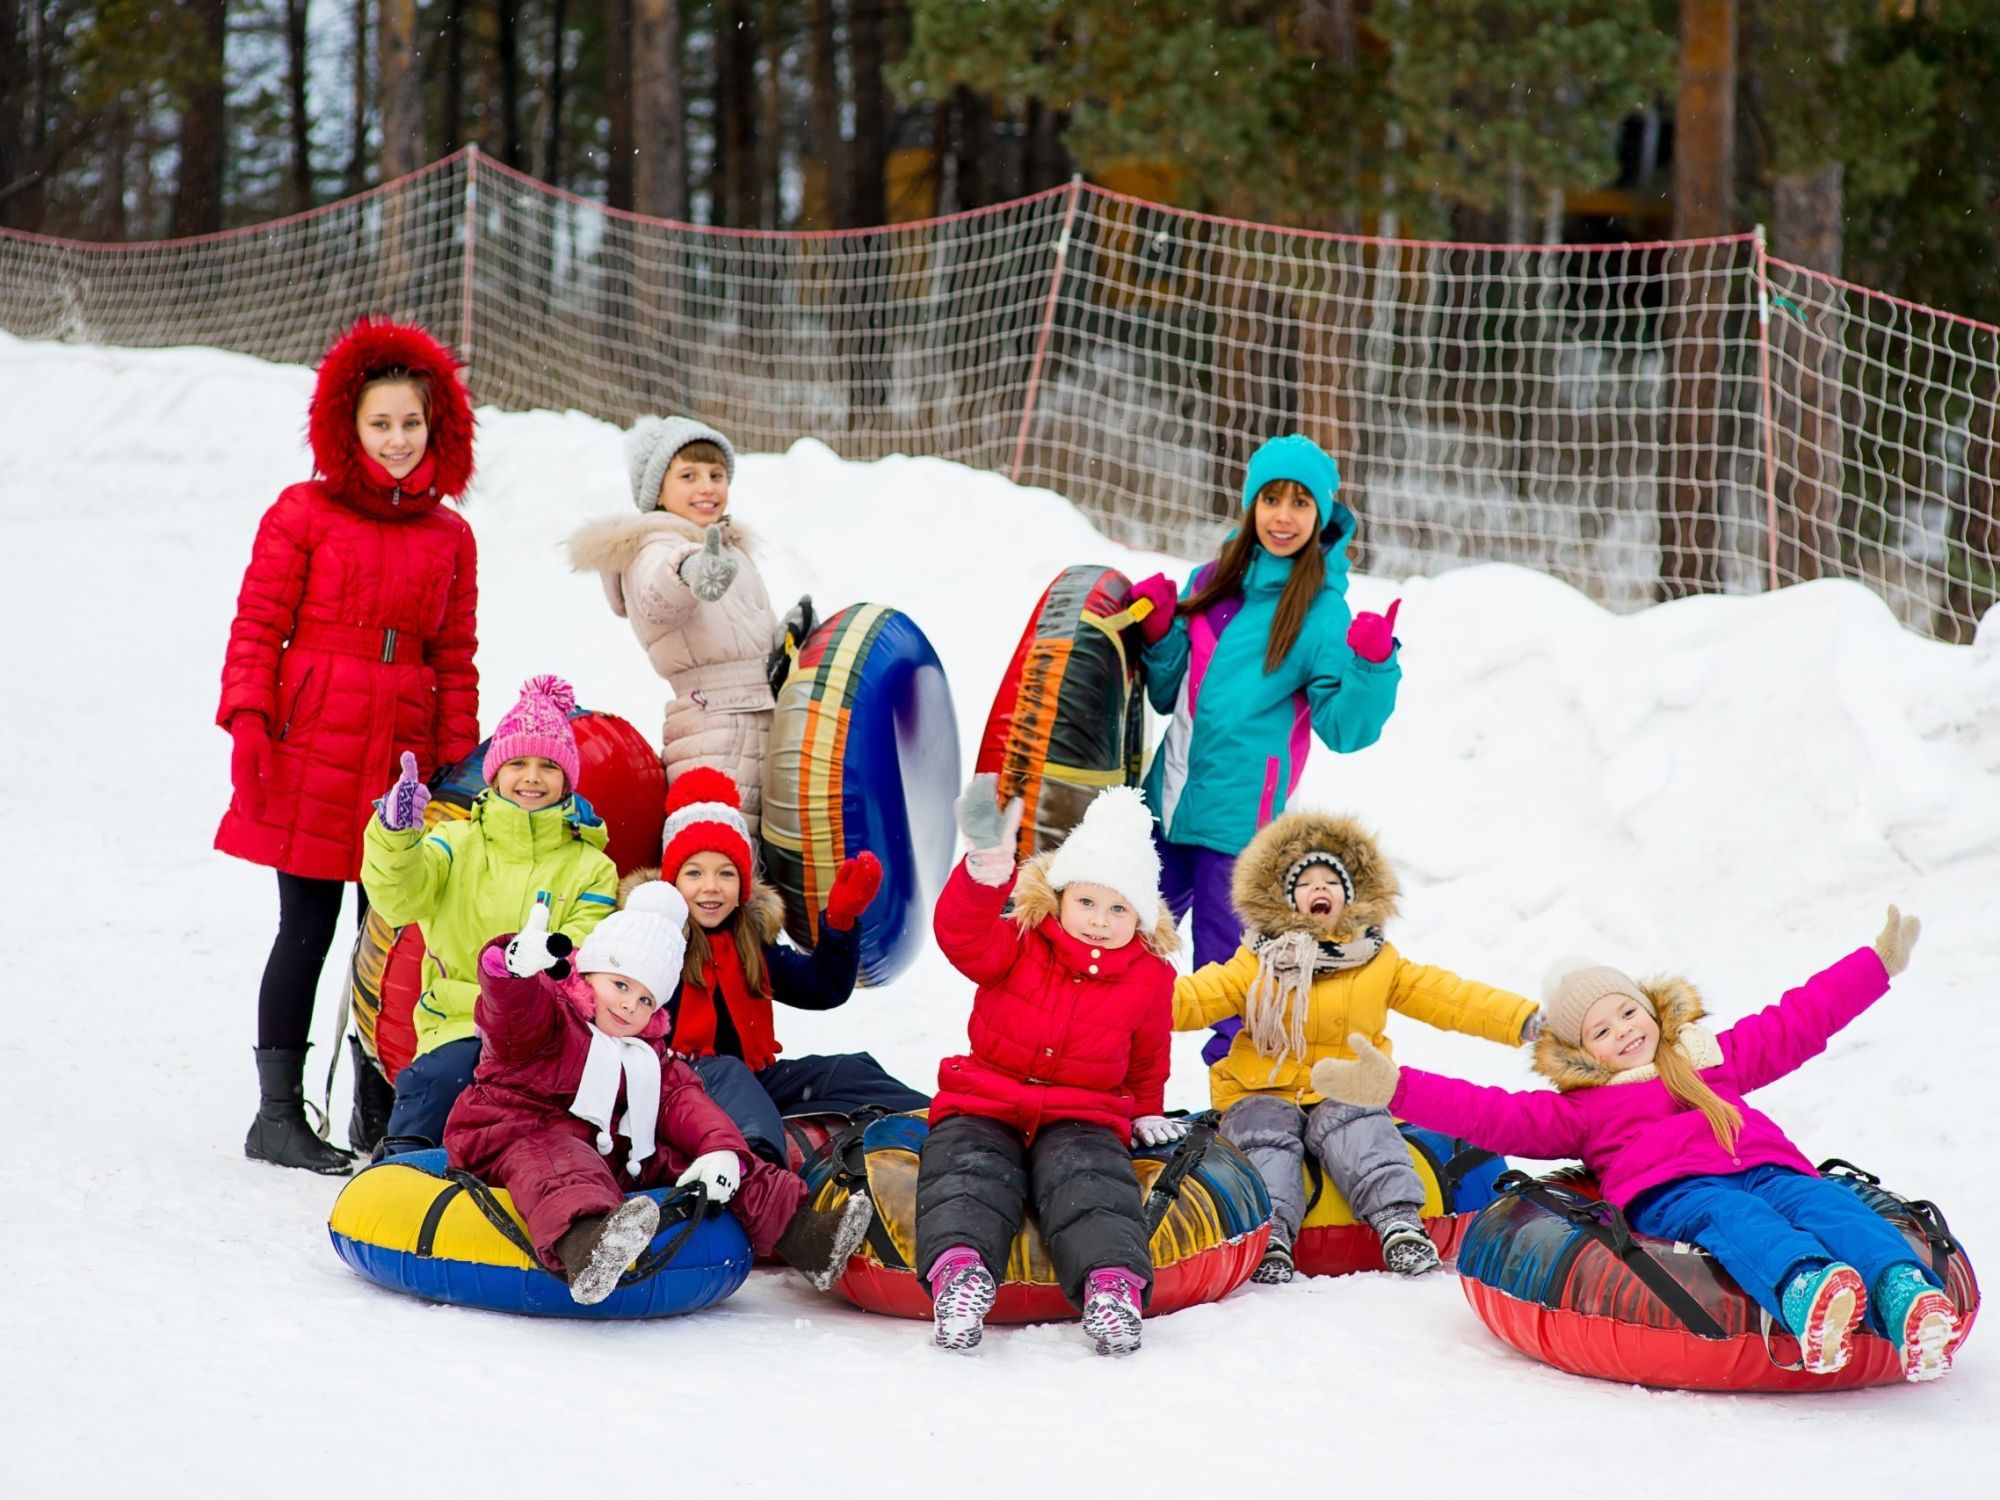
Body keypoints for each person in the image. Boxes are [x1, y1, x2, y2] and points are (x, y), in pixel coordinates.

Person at [1309, 908, 1960, 1383]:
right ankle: (1806, 1289)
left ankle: (1903, 1291)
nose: (1621, 1030)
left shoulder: (1712, 1058)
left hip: (1768, 1165)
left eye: (1627, 1012)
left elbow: (1799, 1019)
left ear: (1651, 1010)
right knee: (1738, 1222)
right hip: (1680, 1191)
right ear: (1579, 1052)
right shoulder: (1581, 1110)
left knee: (1833, 1210)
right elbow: (1490, 1114)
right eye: (1600, 1028)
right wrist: (1394, 1087)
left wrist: (1876, 964)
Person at [216, 317, 478, 1173]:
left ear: (435, 427)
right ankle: (278, 1114)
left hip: (401, 748)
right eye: (381, 424)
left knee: (393, 931)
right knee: (308, 925)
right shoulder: (303, 513)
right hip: (314, 738)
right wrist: (249, 721)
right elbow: (258, 624)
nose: (398, 440)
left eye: (412, 423)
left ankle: (381, 1104)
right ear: (349, 428)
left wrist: (460, 764)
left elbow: (456, 656)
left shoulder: (450, 536)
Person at [444, 883, 870, 1303]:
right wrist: (512, 970)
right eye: (621, 985)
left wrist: (721, 1152)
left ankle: (807, 1237)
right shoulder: (550, 1018)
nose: (631, 1006)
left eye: (646, 999)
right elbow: (509, 1014)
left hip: (608, 1152)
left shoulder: (649, 1056)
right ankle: (588, 1249)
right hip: (511, 1136)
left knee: (715, 1163)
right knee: (559, 1159)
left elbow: (686, 1104)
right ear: (588, 972)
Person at [1127, 434, 1402, 1067]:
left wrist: (1371, 667)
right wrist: (1163, 631)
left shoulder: (1322, 614)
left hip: (1242, 827)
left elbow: (1344, 730)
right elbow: (1170, 696)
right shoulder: (1210, 582)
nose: (1283, 516)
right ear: (1251, 504)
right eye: (1270, 498)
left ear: (1322, 515)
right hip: (1166, 802)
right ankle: (1102, 1074)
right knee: (1120, 938)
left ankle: (1239, 1110)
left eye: (1300, 503)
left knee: (1228, 980)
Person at [1174, 809, 1539, 1283]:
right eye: (1305, 882)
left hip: (1343, 1082)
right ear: (1283, 898)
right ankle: (1271, 1237)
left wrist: (1521, 1019)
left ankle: (1398, 1222)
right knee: (1262, 1137)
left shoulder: (1378, 961)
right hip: (1262, 1087)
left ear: (1352, 894)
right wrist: (1129, 998)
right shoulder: (1255, 962)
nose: (1319, 888)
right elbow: (1198, 997)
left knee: (1362, 1124)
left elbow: (1448, 996)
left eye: (1332, 879)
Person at [917, 778, 1186, 1356]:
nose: (1097, 920)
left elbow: (1147, 1057)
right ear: (1060, 895)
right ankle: (960, 1276)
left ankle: (1111, 1287)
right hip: (984, 1098)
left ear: (1138, 917)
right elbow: (960, 937)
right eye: (1086, 901)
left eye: (1117, 909)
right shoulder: (1020, 939)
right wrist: (985, 874)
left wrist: (1146, 1111)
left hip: (1081, 1112)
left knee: (1092, 1182)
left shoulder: (1148, 978)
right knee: (967, 1170)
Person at [361, 675, 620, 1147]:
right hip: (459, 1020)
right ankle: (403, 1170)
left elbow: (583, 962)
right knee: (443, 1080)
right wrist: (396, 836)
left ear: (567, 777)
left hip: (546, 1037)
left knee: (537, 1114)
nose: (532, 777)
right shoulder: (454, 844)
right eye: (518, 762)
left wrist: (542, 964)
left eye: (547, 765)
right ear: (495, 772)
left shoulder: (591, 868)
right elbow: (400, 898)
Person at [645, 766, 930, 1161]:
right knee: (729, 1071)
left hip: (755, 1079)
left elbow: (823, 988)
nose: (711, 887)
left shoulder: (750, 946)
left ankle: (941, 1121)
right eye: (694, 873)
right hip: (681, 1086)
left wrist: (840, 922)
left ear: (743, 884)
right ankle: (766, 1170)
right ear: (672, 882)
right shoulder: (653, 945)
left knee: (847, 1069)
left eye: (725, 874)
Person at [566, 416, 811, 837]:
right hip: (715, 732)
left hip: (761, 715)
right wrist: (688, 571)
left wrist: (785, 642)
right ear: (657, 490)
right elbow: (657, 599)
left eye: (716, 474)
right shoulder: (655, 547)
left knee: (764, 853)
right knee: (720, 849)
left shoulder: (727, 548)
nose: (707, 487)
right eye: (688, 475)